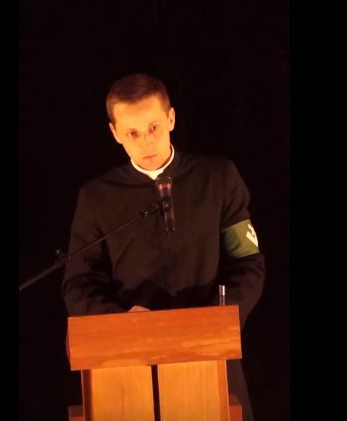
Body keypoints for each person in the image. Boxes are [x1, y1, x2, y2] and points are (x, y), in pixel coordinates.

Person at [62, 73, 265, 421]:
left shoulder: (218, 177)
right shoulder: (96, 198)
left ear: (171, 118)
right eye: (132, 133)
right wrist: (122, 322)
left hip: (211, 355)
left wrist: (213, 322)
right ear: (115, 133)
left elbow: (248, 263)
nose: (146, 142)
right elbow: (78, 284)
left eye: (154, 127)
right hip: (127, 371)